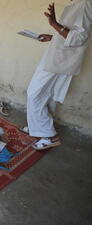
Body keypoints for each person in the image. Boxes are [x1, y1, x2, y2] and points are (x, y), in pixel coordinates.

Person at [23, 1, 92, 150]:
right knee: (48, 95)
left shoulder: (85, 3)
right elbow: (69, 33)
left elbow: (80, 38)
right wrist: (53, 37)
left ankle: (49, 135)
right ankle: (39, 127)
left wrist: (54, 24)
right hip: (59, 56)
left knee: (34, 93)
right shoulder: (76, 3)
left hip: (60, 59)